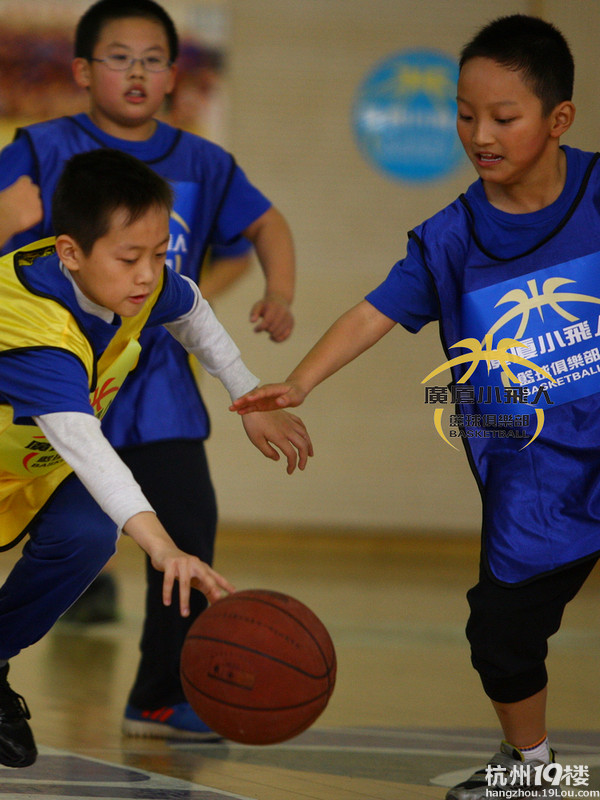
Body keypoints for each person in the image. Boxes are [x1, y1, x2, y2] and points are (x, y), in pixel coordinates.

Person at [231, 15, 598, 800]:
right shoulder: (452, 235)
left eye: (504, 117)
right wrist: (300, 382)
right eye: (465, 114)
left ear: (559, 118)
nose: (479, 133)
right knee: (499, 636)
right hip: (535, 483)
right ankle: (536, 773)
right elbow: (374, 311)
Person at [0, 0, 296, 739]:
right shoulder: (36, 327)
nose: (147, 274)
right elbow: (83, 442)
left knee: (91, 533)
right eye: (130, 258)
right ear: (70, 251)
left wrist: (247, 392)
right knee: (125, 512)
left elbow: (190, 305)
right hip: (43, 439)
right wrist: (162, 548)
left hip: (33, 461)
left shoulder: (143, 271)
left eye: (156, 253)